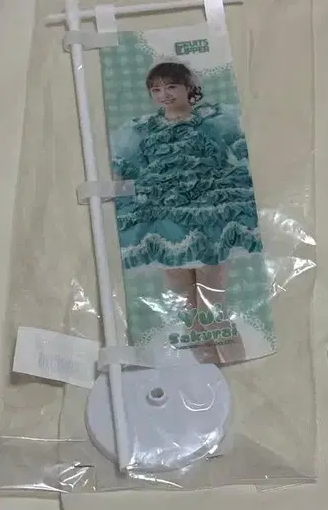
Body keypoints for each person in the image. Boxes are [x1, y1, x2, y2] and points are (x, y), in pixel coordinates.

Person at [110, 61, 261, 364]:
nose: (164, 94)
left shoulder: (212, 119)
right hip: (165, 220)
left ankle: (241, 371)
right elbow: (123, 169)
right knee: (191, 315)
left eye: (171, 87)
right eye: (156, 89)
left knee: (212, 310)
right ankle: (213, 375)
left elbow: (243, 151)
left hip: (207, 215)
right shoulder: (141, 129)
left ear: (188, 87)